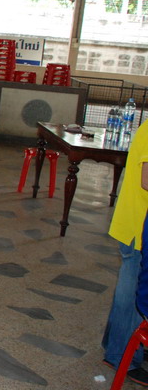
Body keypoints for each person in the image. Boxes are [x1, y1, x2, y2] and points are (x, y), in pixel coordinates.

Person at [103, 119, 148, 385]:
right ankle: (122, 357)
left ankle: (117, 344)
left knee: (130, 290)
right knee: (132, 295)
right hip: (138, 225)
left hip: (137, 222)